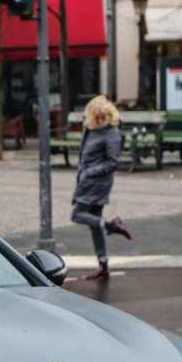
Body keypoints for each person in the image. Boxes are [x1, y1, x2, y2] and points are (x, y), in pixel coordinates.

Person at [70, 96, 131, 281]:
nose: (100, 121)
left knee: (77, 214)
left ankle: (112, 225)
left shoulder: (111, 133)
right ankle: (103, 264)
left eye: (102, 117)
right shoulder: (88, 128)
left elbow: (113, 162)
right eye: (96, 117)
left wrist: (89, 172)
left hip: (97, 182)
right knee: (94, 224)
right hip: (87, 179)